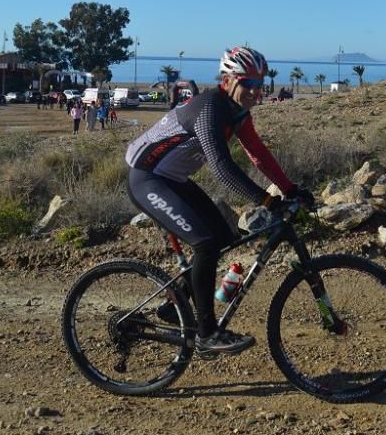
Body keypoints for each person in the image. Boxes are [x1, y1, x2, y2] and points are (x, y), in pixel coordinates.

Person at [125, 46, 314, 356]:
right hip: (147, 178)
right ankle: (207, 333)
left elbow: (259, 156)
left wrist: (290, 189)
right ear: (228, 81)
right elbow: (222, 168)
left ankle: (177, 304)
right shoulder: (210, 107)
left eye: (261, 84)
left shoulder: (238, 112)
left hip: (172, 180)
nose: (257, 91)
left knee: (224, 237)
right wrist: (267, 200)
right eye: (250, 84)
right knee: (205, 242)